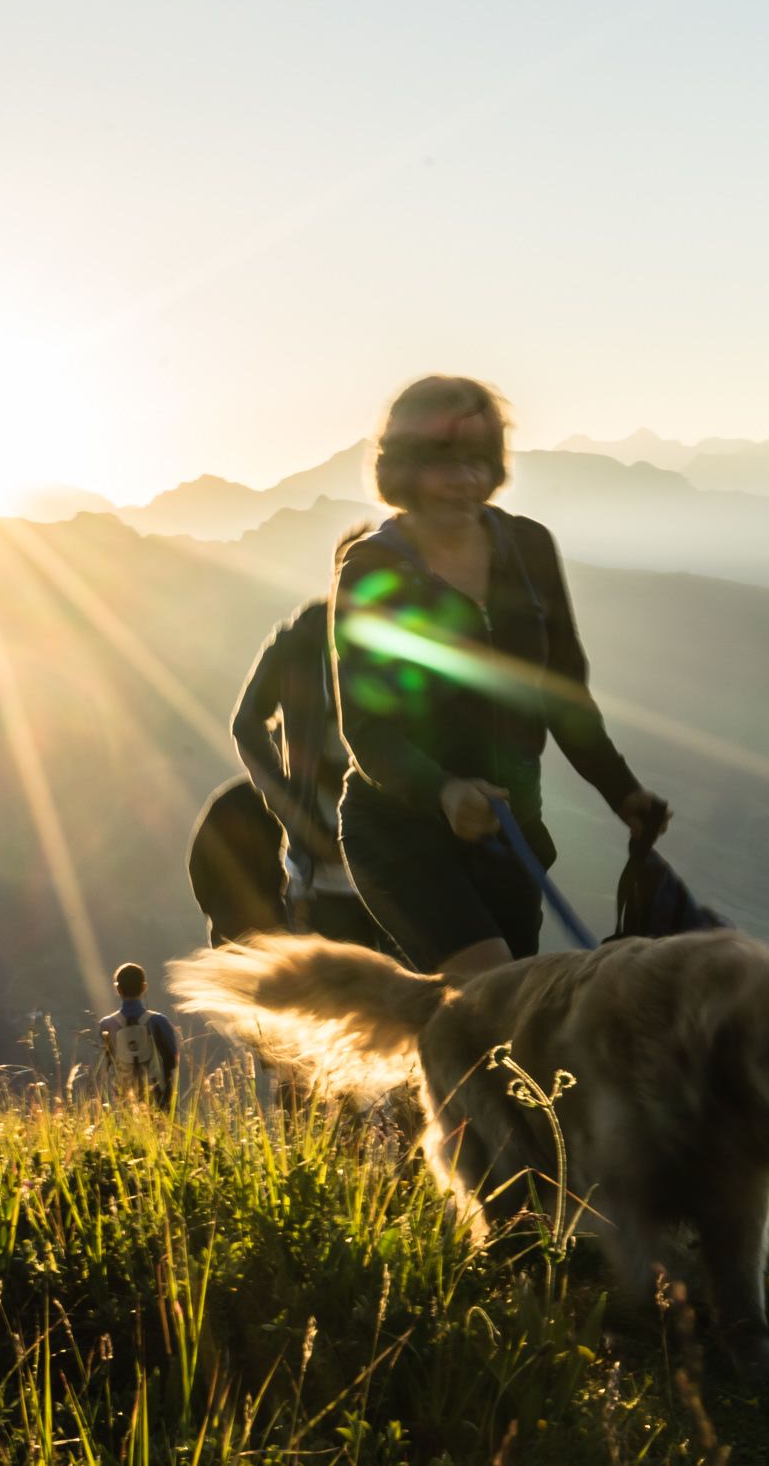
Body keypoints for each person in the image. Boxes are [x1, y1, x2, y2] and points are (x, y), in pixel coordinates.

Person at [331, 376, 667, 982]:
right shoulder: (374, 569)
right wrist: (443, 790)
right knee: (492, 1003)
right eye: (442, 463)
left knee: (508, 1048)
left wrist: (622, 792)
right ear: (401, 469)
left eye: (479, 462)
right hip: (404, 835)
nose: (464, 480)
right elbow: (367, 726)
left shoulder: (530, 549)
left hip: (510, 839)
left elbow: (563, 690)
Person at [215, 599, 396, 952]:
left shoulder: (398, 638)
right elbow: (246, 725)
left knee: (412, 995)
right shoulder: (299, 644)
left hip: (400, 866)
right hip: (326, 874)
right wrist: (288, 803)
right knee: (336, 999)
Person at [97, 962, 178, 1109]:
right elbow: (172, 1061)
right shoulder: (159, 1021)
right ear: (144, 987)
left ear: (117, 989)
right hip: (158, 1098)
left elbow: (106, 1064)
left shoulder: (106, 1025)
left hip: (124, 1100)